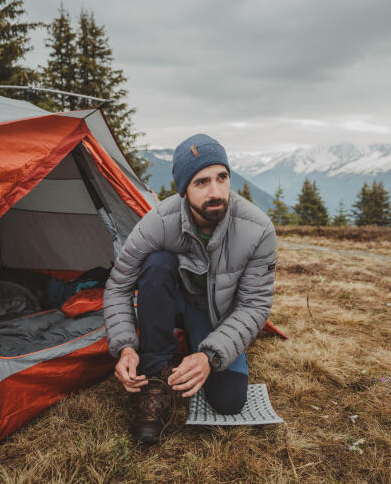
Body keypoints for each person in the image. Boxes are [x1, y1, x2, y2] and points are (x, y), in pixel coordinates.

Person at [103, 133, 277, 444]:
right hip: (168, 301)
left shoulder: (258, 229)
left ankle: (194, 349)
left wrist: (209, 356)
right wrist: (125, 347)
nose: (216, 191)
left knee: (229, 402)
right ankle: (156, 376)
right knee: (156, 264)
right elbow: (118, 286)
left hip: (216, 316)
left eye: (222, 178)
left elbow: (255, 305)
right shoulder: (158, 222)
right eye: (202, 182)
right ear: (183, 190)